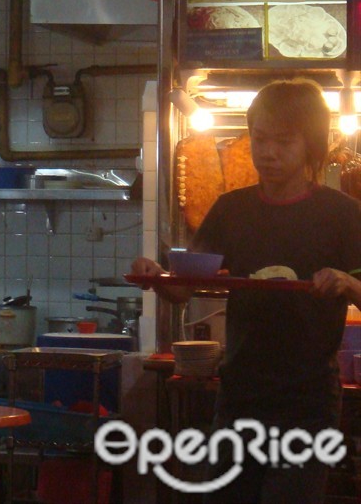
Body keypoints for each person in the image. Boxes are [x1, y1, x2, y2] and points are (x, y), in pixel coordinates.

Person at [131, 78, 361, 503]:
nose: (267, 152)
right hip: (239, 395)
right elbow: (187, 288)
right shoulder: (231, 210)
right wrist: (157, 278)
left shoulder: (342, 214)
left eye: (284, 141)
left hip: (307, 401)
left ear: (310, 144)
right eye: (259, 139)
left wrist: (348, 283)